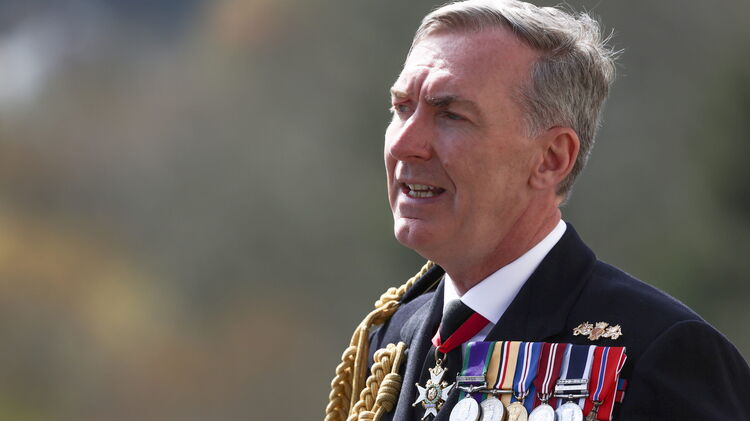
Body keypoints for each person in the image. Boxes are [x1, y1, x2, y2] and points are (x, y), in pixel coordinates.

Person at [324, 1, 750, 420]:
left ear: (551, 158)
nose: (404, 144)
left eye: (450, 115)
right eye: (401, 108)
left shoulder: (660, 355)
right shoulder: (394, 338)